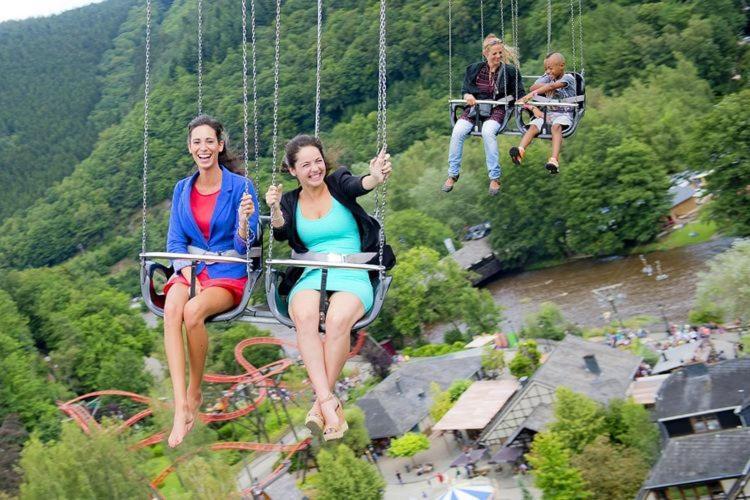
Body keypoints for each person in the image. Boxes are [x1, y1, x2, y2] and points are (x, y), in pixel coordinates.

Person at [265, 135, 394, 441]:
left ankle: (320, 405)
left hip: (352, 271)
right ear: (293, 170)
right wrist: (274, 210)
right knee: (305, 319)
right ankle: (327, 402)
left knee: (337, 322)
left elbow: (358, 185)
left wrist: (374, 178)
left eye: (318, 161)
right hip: (311, 273)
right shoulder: (290, 201)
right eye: (306, 164)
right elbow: (281, 231)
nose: (314, 169)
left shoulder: (338, 183)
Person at [162, 115, 260, 447]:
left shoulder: (241, 188)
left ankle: (194, 391)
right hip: (193, 268)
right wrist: (189, 276)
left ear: (220, 145)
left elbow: (246, 247)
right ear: (190, 148)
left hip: (228, 272)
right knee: (172, 310)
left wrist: (244, 223)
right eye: (196, 142)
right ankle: (180, 407)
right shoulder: (182, 190)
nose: (203, 148)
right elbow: (175, 242)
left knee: (193, 313)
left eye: (209, 142)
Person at [443, 34, 524, 196]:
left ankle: (494, 177)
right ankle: (453, 173)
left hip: (497, 109)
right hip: (475, 109)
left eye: (500, 53)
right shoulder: (474, 69)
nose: (498, 56)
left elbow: (520, 93)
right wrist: (468, 97)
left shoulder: (509, 72)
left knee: (488, 132)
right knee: (458, 131)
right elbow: (465, 91)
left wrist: (517, 103)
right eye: (494, 53)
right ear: (485, 54)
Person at [509, 52, 577, 174]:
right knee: (534, 126)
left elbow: (552, 87)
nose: (548, 72)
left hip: (564, 113)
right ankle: (520, 150)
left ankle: (554, 160)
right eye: (546, 69)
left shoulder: (569, 78)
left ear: (561, 66)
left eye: (550, 68)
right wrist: (545, 83)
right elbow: (533, 87)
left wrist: (529, 96)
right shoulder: (549, 77)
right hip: (548, 113)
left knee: (556, 127)